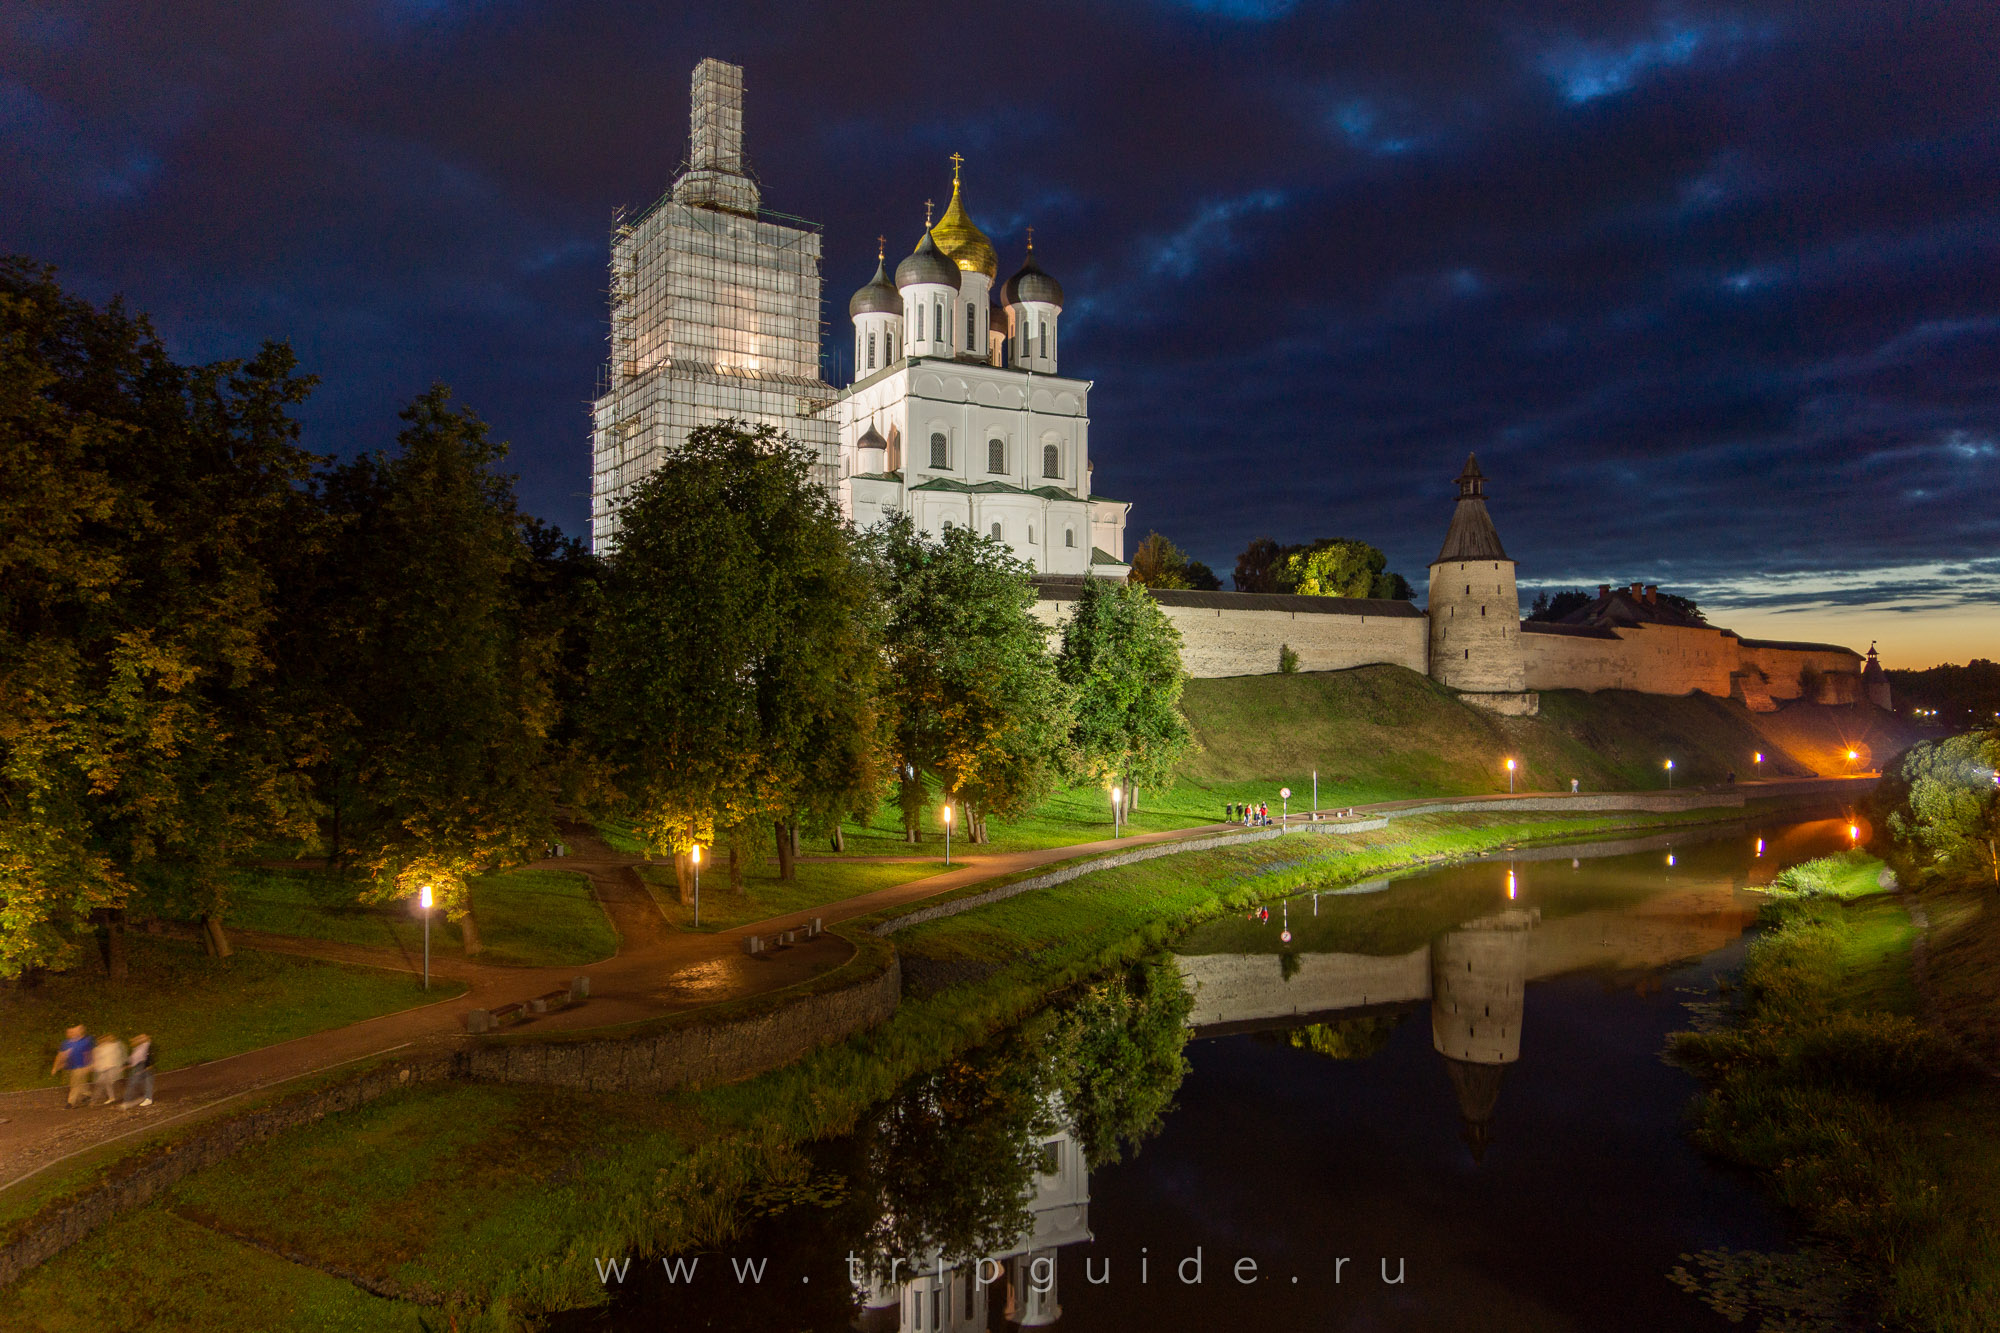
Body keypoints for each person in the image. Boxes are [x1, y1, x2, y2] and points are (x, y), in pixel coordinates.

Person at [51, 1026, 92, 1109]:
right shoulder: (66, 1043)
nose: (70, 1033)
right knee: (77, 1084)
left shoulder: (84, 1042)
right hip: (70, 1067)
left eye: (72, 1031)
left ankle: (70, 1103)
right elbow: (60, 1055)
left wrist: (90, 1065)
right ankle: (87, 1095)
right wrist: (56, 1067)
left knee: (75, 1085)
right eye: (69, 1032)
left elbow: (88, 1054)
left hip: (80, 1067)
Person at [92, 1033, 126, 1107]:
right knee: (106, 1083)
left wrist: (119, 1066)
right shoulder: (100, 1048)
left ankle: (94, 1100)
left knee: (102, 1083)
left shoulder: (113, 1046)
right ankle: (111, 1097)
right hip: (105, 1068)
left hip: (110, 1067)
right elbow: (99, 1059)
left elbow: (117, 1056)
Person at [123, 1034, 155, 1108]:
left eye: (142, 1037)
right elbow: (133, 1057)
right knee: (139, 1082)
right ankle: (145, 1097)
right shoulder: (139, 1046)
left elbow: (150, 1055)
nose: (141, 1039)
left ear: (147, 1037)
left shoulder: (149, 1045)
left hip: (143, 1065)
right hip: (138, 1066)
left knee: (146, 1082)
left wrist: (149, 1065)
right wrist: (126, 1064)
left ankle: (148, 1098)